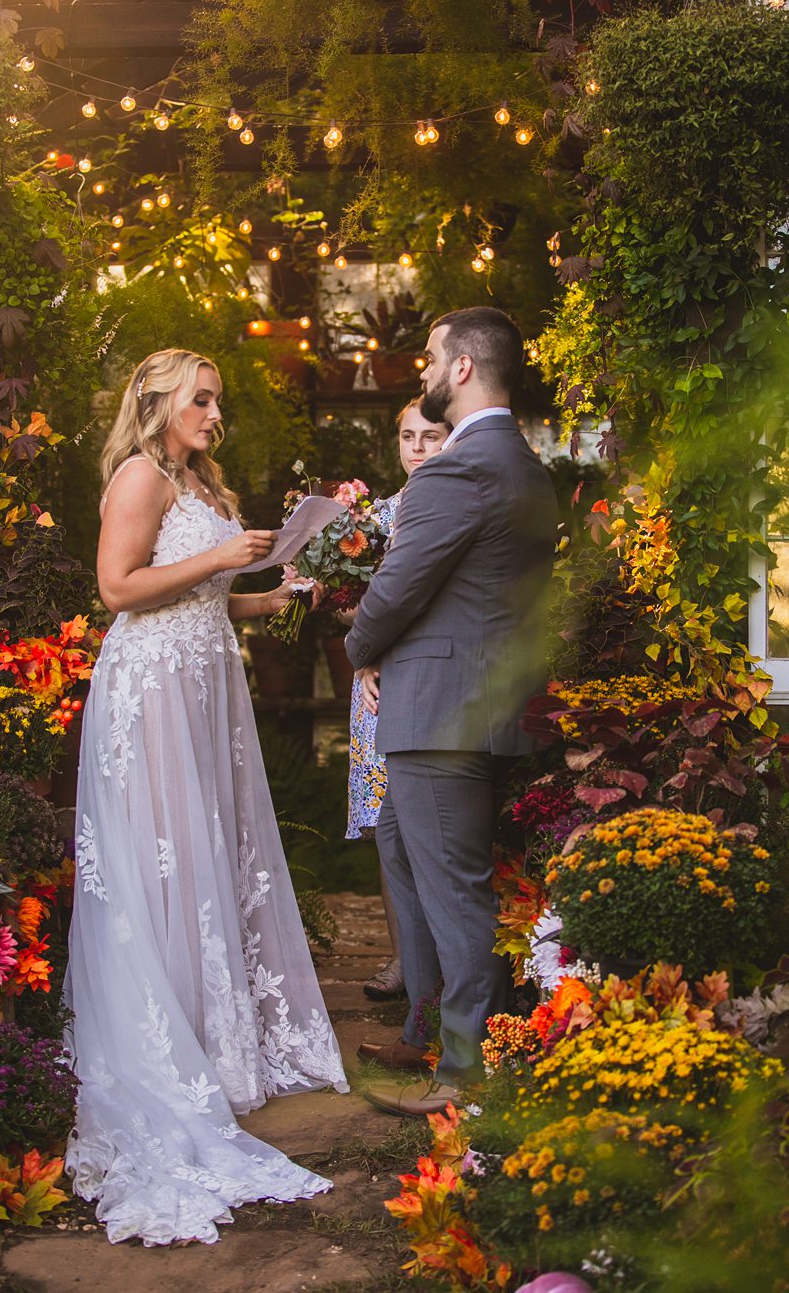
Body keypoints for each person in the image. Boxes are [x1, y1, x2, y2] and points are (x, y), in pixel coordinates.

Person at [64, 348, 348, 1246]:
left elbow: (204, 599)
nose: (215, 414)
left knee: (205, 853)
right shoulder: (141, 476)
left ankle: (219, 1035)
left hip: (201, 685)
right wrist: (223, 554)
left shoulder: (199, 480)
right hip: (149, 691)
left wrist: (269, 592)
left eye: (218, 401)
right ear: (155, 400)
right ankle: (169, 1042)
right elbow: (119, 589)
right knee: (165, 854)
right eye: (202, 398)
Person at [346, 307, 559, 1116]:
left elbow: (398, 587)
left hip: (441, 711)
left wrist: (360, 644)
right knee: (419, 856)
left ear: (464, 367)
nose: (423, 371)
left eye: (431, 357)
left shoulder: (456, 469)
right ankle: (435, 1029)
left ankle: (464, 1075)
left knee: (458, 891)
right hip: (479, 702)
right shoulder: (524, 465)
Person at [345, 401, 451, 1002]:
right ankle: (402, 960)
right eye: (407, 435)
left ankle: (441, 962)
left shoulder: (449, 508)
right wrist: (363, 650)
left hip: (427, 677)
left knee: (426, 827)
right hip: (374, 686)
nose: (415, 447)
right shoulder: (374, 517)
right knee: (386, 830)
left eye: (429, 436)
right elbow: (352, 598)